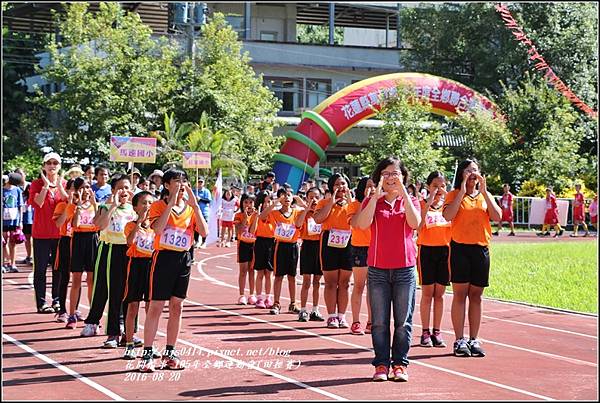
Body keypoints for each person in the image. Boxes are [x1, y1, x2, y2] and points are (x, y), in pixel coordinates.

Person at [355, 157, 421, 382]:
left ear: (403, 176)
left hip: (405, 270)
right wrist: (375, 196)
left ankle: (400, 365)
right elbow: (362, 224)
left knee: (403, 322)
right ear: (379, 177)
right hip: (378, 270)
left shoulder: (410, 200)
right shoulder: (372, 201)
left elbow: (415, 223)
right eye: (386, 173)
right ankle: (381, 364)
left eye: (396, 173)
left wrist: (403, 192)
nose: (391, 178)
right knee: (380, 322)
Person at [140, 169, 208, 372]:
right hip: (163, 258)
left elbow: (204, 232)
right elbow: (158, 230)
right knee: (156, 306)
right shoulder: (158, 206)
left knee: (177, 306)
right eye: (176, 181)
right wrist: (170, 204)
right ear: (167, 185)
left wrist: (195, 207)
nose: (180, 185)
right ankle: (147, 353)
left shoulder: (189, 209)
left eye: (183, 181)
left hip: (184, 259)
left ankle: (170, 352)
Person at [443, 158, 502, 358]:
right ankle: (459, 340)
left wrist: (484, 191)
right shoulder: (453, 195)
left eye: (476, 170)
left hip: (480, 249)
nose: (473, 174)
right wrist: (461, 192)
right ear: (462, 174)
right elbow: (448, 216)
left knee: (476, 296)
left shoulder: (485, 196)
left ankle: (474, 338)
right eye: (469, 170)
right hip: (460, 248)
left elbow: (497, 216)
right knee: (460, 295)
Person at [81, 174, 137, 348]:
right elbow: (99, 226)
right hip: (111, 250)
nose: (124, 191)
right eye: (120, 187)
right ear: (113, 190)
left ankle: (129, 333)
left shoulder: (134, 209)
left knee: (130, 293)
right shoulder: (106, 207)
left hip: (130, 252)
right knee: (112, 292)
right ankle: (112, 333)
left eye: (127, 187)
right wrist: (113, 205)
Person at [313, 173, 354, 329]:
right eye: (337, 184)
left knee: (344, 283)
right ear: (331, 187)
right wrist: (332, 201)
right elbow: (318, 219)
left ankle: (342, 316)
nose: (341, 187)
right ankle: (331, 316)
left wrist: (349, 199)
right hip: (329, 241)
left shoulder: (352, 203)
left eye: (343, 184)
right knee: (330, 282)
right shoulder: (323, 202)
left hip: (348, 241)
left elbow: (356, 217)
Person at [416, 171, 451, 349]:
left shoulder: (449, 206)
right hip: (426, 250)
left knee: (440, 294)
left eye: (442, 186)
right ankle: (425, 331)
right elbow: (418, 225)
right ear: (428, 187)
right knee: (427, 293)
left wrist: (447, 197)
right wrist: (428, 202)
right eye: (435, 186)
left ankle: (437, 331)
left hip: (445, 251)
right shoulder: (422, 204)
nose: (439, 189)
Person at [30, 152, 68, 313]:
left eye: (55, 163)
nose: (52, 166)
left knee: (58, 269)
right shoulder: (36, 184)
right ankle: (41, 303)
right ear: (44, 166)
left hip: (59, 234)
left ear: (59, 166)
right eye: (49, 163)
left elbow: (70, 203)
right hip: (41, 234)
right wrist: (46, 186)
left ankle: (57, 300)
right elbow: (37, 203)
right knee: (40, 269)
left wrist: (59, 187)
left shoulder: (65, 184)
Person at [122, 191, 156, 360]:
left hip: (152, 266)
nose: (147, 206)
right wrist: (139, 223)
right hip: (135, 265)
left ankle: (150, 345)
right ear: (135, 207)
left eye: (150, 203)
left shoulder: (155, 226)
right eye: (143, 203)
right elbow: (129, 241)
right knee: (133, 306)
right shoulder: (130, 225)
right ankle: (129, 344)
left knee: (151, 308)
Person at [259, 188, 301, 315]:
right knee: (278, 276)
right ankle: (276, 303)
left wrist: (299, 200)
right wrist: (275, 202)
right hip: (280, 246)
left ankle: (293, 303)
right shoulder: (275, 213)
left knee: (292, 276)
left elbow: (311, 210)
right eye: (284, 196)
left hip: (293, 246)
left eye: (289, 195)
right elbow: (262, 216)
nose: (287, 198)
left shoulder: (297, 212)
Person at [65, 177, 99, 329]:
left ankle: (93, 315)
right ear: (77, 190)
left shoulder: (95, 205)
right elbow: (75, 224)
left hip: (92, 239)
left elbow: (99, 223)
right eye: (82, 187)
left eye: (88, 187)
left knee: (92, 279)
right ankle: (72, 315)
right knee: (76, 279)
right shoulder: (73, 206)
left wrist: (94, 204)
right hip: (78, 240)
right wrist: (78, 206)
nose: (86, 190)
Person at [347, 176, 374, 335]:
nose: (371, 189)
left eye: (374, 186)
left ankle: (371, 321)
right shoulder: (354, 205)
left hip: (376, 248)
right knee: (359, 286)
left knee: (374, 288)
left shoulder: (378, 204)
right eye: (368, 186)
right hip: (360, 248)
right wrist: (365, 203)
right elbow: (355, 223)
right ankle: (356, 322)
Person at [295, 187, 325, 322]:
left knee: (317, 281)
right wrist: (306, 209)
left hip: (320, 247)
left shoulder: (323, 213)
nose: (314, 200)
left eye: (317, 197)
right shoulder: (303, 213)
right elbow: (298, 224)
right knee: (306, 281)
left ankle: (315, 309)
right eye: (311, 197)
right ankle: (302, 309)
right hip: (307, 246)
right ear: (306, 198)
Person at [52, 179, 76, 323]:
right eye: (72, 189)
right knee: (64, 276)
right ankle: (62, 309)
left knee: (77, 278)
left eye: (77, 189)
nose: (75, 192)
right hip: (65, 241)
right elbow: (59, 223)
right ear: (67, 190)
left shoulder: (84, 206)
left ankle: (75, 308)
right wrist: (69, 206)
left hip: (79, 241)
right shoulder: (62, 205)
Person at [249, 191, 275, 309]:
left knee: (268, 273)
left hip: (271, 243)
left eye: (268, 202)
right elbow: (252, 231)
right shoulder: (256, 215)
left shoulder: (274, 214)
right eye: (264, 202)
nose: (266, 204)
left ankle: (268, 297)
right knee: (260, 272)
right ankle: (259, 298)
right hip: (259, 243)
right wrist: (258, 215)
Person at [233, 193, 257, 305]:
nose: (248, 205)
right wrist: (246, 217)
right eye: (246, 202)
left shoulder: (256, 215)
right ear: (242, 203)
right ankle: (241, 295)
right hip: (242, 244)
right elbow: (240, 230)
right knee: (243, 271)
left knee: (252, 270)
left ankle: (252, 294)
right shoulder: (238, 215)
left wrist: (254, 217)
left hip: (253, 244)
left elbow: (253, 231)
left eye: (251, 202)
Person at [3, 172, 24, 273]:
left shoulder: (17, 190)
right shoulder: (2, 190)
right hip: (3, 220)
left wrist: (20, 221)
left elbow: (20, 206)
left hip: (14, 220)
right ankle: (3, 263)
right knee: (3, 241)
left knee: (13, 242)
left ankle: (13, 263)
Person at [15, 168, 33, 265]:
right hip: (21, 215)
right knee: (25, 237)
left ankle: (34, 257)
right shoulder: (14, 187)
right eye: (17, 174)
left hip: (31, 214)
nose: (20, 176)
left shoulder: (30, 185)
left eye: (21, 174)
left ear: (25, 175)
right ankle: (28, 256)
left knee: (33, 237)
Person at [194, 177, 212, 248]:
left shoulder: (206, 191)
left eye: (201, 182)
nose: (200, 183)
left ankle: (204, 242)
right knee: (196, 227)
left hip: (204, 212)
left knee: (204, 227)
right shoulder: (194, 191)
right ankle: (197, 241)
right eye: (198, 182)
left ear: (203, 183)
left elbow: (208, 200)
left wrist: (200, 199)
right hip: (195, 212)